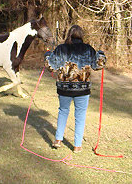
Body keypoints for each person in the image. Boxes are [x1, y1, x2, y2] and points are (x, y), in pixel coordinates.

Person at [44, 25, 106, 153]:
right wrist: (101, 54)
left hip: (64, 88)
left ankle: (58, 140)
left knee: (63, 111)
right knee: (80, 115)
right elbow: (98, 65)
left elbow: (50, 66)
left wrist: (47, 56)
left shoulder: (61, 49)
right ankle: (77, 145)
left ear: (69, 35)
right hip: (82, 89)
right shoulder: (88, 49)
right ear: (81, 35)